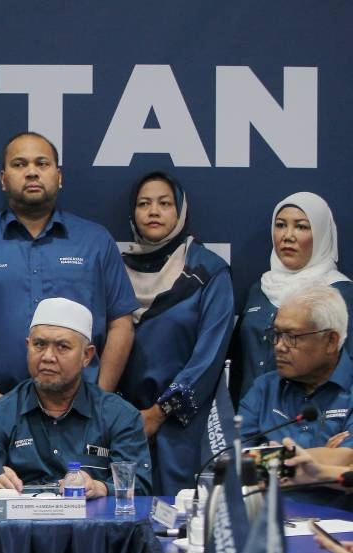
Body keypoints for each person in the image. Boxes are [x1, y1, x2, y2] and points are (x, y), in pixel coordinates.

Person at [0, 132, 138, 407]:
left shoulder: (95, 241)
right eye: (19, 164)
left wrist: (99, 400)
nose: (31, 172)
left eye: (42, 164)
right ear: (3, 179)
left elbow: (121, 325)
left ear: (59, 176)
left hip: (82, 410)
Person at [117, 172, 234, 495]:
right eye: (144, 204)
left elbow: (209, 356)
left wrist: (159, 412)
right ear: (133, 214)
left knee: (177, 526)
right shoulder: (114, 270)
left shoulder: (207, 270)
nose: (154, 211)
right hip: (125, 426)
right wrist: (118, 416)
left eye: (165, 203)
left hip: (182, 425)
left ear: (180, 211)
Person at [0, 297, 152, 497]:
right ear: (27, 346)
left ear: (86, 356)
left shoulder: (118, 416)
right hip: (19, 527)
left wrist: (101, 488)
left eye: (62, 346)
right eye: (39, 344)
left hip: (93, 526)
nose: (48, 357)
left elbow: (139, 486)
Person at [239, 285, 353, 506]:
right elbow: (234, 464)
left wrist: (269, 457)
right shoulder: (264, 387)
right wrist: (327, 460)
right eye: (277, 334)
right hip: (268, 523)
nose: (279, 347)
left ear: (330, 341)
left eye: (292, 337)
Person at [233, 192, 353, 399]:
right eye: (280, 225)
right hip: (248, 419)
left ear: (322, 234)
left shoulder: (339, 292)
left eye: (301, 226)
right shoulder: (259, 289)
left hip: (305, 421)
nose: (288, 235)